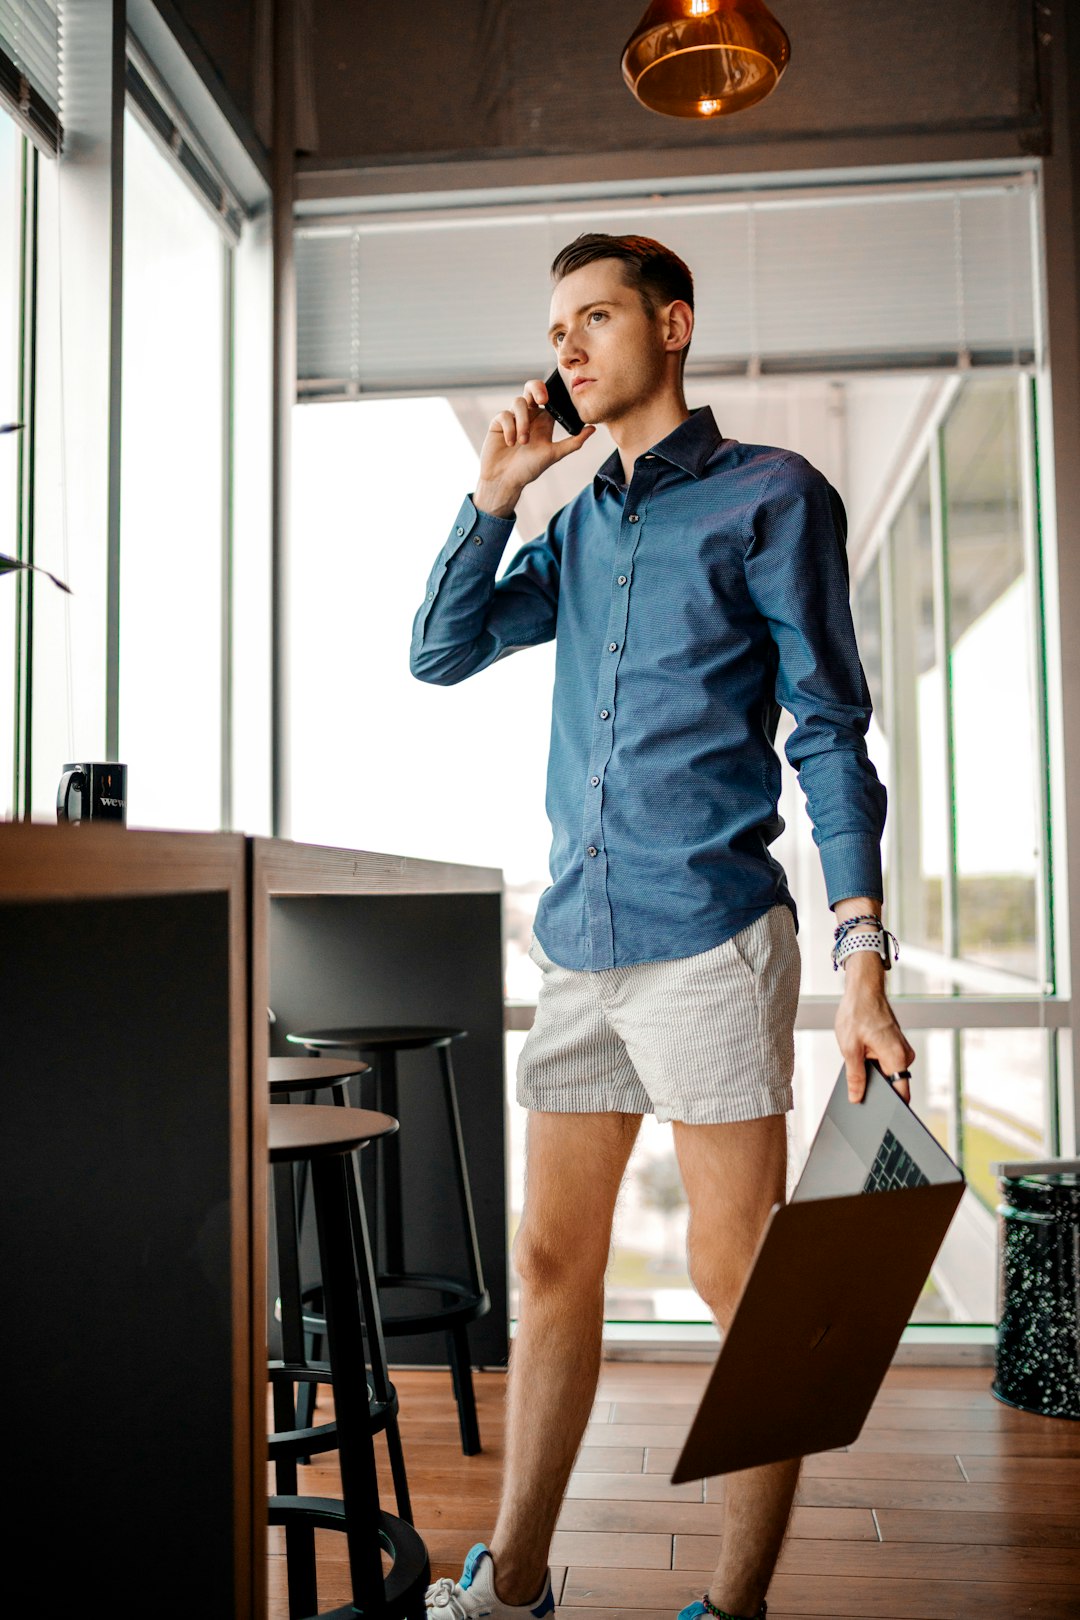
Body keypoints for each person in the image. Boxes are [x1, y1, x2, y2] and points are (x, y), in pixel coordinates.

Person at [410, 232, 915, 1620]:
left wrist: (862, 951)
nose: (566, 347)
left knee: (735, 1276)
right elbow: (440, 649)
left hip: (708, 934)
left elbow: (828, 731)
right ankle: (512, 1585)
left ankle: (736, 1605)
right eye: (555, 326)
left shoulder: (773, 499)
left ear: (673, 326)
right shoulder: (576, 519)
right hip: (580, 942)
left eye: (595, 318)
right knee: (551, 1264)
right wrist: (496, 496)